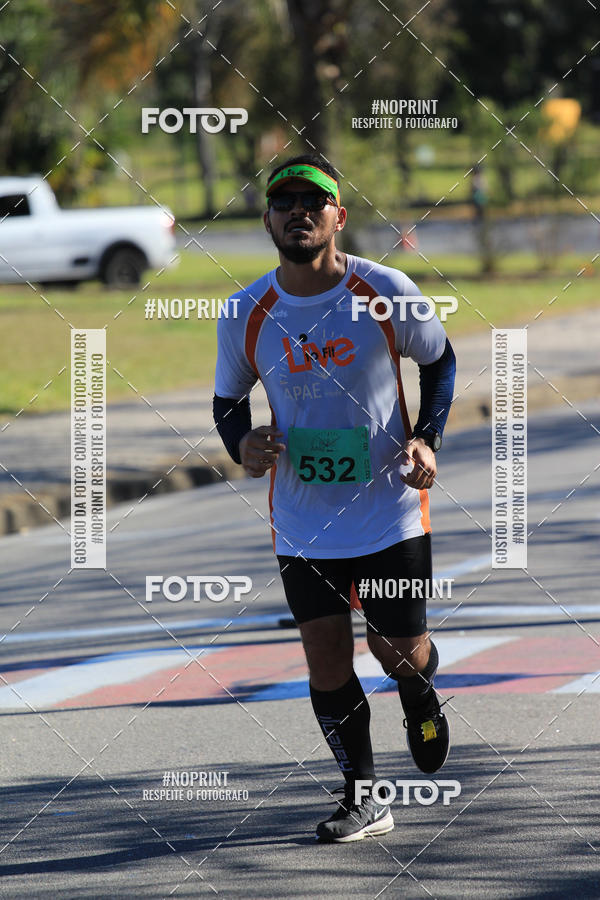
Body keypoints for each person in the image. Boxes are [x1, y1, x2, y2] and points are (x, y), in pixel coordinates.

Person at [213, 154, 456, 843]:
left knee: (396, 648)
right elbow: (226, 400)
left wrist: (428, 437)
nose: (298, 211)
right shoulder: (246, 310)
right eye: (284, 201)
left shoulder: (384, 290)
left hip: (389, 508)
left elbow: (439, 360)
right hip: (300, 519)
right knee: (325, 654)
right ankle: (363, 797)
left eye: (312, 202)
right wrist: (242, 444)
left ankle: (419, 689)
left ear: (337, 217)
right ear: (267, 219)